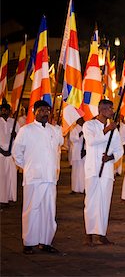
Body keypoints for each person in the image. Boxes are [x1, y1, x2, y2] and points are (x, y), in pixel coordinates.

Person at [12, 100, 63, 254]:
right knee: (31, 209)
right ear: (34, 111)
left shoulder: (54, 130)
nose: (44, 113)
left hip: (50, 178)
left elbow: (58, 149)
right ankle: (29, 242)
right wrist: (29, 167)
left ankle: (45, 242)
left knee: (48, 210)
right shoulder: (26, 130)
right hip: (33, 177)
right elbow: (17, 153)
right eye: (41, 110)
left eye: (47, 110)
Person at [83, 99, 123, 245]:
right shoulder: (89, 125)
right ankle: (89, 233)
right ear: (102, 109)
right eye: (110, 108)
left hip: (106, 170)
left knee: (104, 202)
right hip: (93, 169)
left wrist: (110, 157)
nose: (112, 111)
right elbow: (91, 141)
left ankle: (101, 233)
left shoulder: (114, 130)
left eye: (112, 108)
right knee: (91, 201)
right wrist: (106, 130)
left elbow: (119, 149)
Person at [0, 103, 19, 204]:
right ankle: (1, 199)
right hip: (1, 155)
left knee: (11, 177)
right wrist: (2, 151)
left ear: (10, 111)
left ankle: (10, 197)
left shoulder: (14, 122)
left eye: (6, 110)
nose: (4, 112)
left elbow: (20, 138)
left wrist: (15, 135)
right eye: (3, 110)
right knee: (1, 177)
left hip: (11, 154)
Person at [69, 117, 86, 194]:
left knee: (83, 171)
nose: (82, 121)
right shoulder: (74, 128)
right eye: (81, 119)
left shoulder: (86, 128)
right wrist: (80, 134)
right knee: (76, 171)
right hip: (76, 151)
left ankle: (83, 188)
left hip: (84, 152)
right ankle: (75, 188)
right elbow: (72, 139)